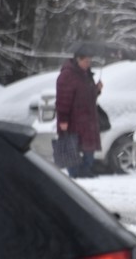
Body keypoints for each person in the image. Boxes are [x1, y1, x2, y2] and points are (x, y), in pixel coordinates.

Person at [55, 45, 103, 178]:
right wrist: (63, 120)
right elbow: (62, 100)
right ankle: (74, 173)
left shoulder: (87, 75)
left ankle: (85, 171)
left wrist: (97, 89)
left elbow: (88, 96)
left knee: (89, 147)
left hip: (88, 119)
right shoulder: (67, 76)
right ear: (77, 60)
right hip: (73, 119)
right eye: (86, 61)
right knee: (72, 146)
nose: (88, 64)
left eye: (90, 61)